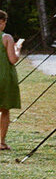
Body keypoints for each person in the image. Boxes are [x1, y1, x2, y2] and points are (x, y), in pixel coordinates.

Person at [0, 10, 23, 150]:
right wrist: (17, 49)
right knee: (4, 110)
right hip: (4, 77)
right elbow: (13, 59)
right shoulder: (6, 37)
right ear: (3, 22)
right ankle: (1, 142)